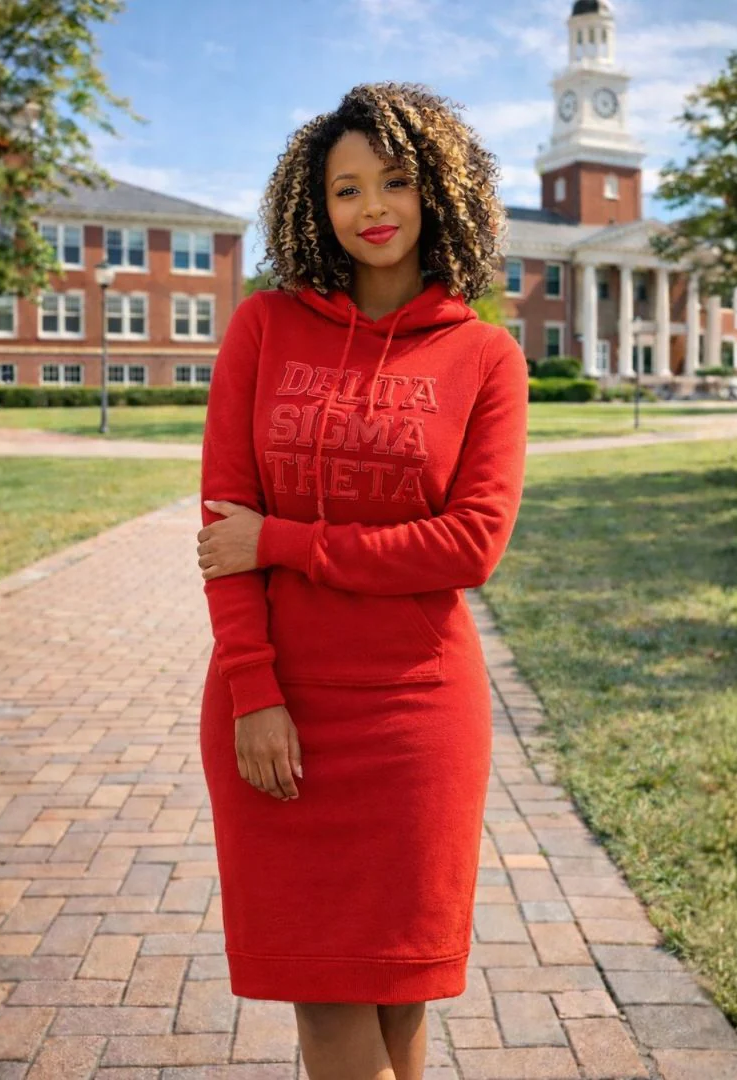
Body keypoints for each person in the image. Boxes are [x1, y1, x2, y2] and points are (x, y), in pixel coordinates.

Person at [195, 81, 529, 1080]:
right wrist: (254, 693)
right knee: (328, 997)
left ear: (439, 192)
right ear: (317, 204)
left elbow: (470, 545)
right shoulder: (263, 328)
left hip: (417, 717)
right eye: (346, 189)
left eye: (395, 181)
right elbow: (222, 533)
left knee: (399, 996)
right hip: (278, 711)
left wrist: (287, 542)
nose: (372, 208)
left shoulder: (486, 357)